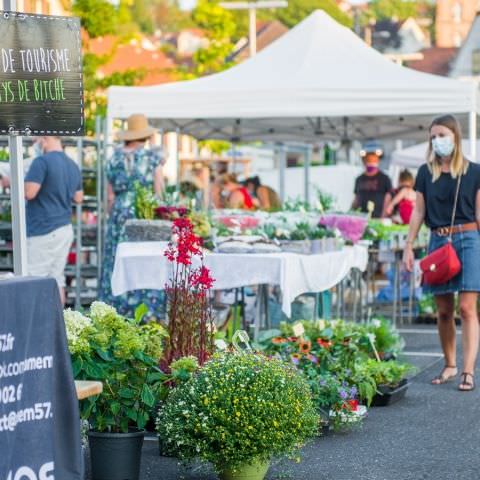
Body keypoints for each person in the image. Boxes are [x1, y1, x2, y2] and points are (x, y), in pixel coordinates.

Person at [403, 114, 480, 392]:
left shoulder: (474, 171)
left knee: (467, 308)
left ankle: (468, 370)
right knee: (444, 311)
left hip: (469, 239)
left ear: (455, 137)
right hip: (437, 242)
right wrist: (409, 245)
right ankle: (450, 364)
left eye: (442, 135)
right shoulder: (426, 172)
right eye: (433, 136)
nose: (437, 141)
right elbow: (419, 212)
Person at [99, 113, 165, 318]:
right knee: (144, 257)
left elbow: (109, 197)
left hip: (119, 213)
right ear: (144, 136)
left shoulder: (113, 158)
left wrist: (115, 213)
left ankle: (116, 307)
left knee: (116, 258)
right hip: (142, 212)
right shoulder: (152, 158)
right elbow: (159, 190)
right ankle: (145, 310)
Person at [24, 136, 83, 305]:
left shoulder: (41, 162)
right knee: (57, 279)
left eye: (36, 140)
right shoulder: (72, 165)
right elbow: (78, 198)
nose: (35, 143)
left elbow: (29, 193)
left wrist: (17, 182)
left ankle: (32, 326)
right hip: (64, 229)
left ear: (45, 139)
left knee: (32, 278)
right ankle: (60, 326)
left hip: (43, 229)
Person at [352, 151, 392, 218]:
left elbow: (388, 199)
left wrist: (383, 216)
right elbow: (356, 198)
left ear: (378, 161)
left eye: (373, 160)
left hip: (378, 218)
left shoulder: (384, 178)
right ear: (364, 162)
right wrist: (351, 212)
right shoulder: (359, 179)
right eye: (368, 160)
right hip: (361, 217)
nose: (371, 163)